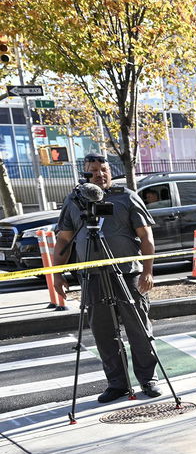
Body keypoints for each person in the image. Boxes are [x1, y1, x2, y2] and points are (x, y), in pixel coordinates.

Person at [51, 154, 160, 403]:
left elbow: (146, 237)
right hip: (92, 277)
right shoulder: (74, 201)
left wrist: (148, 270)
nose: (100, 174)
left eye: (104, 169)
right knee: (103, 333)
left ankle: (148, 379)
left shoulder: (127, 197)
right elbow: (64, 240)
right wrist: (57, 275)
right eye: (93, 170)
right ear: (84, 175)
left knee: (139, 329)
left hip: (127, 274)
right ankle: (117, 384)